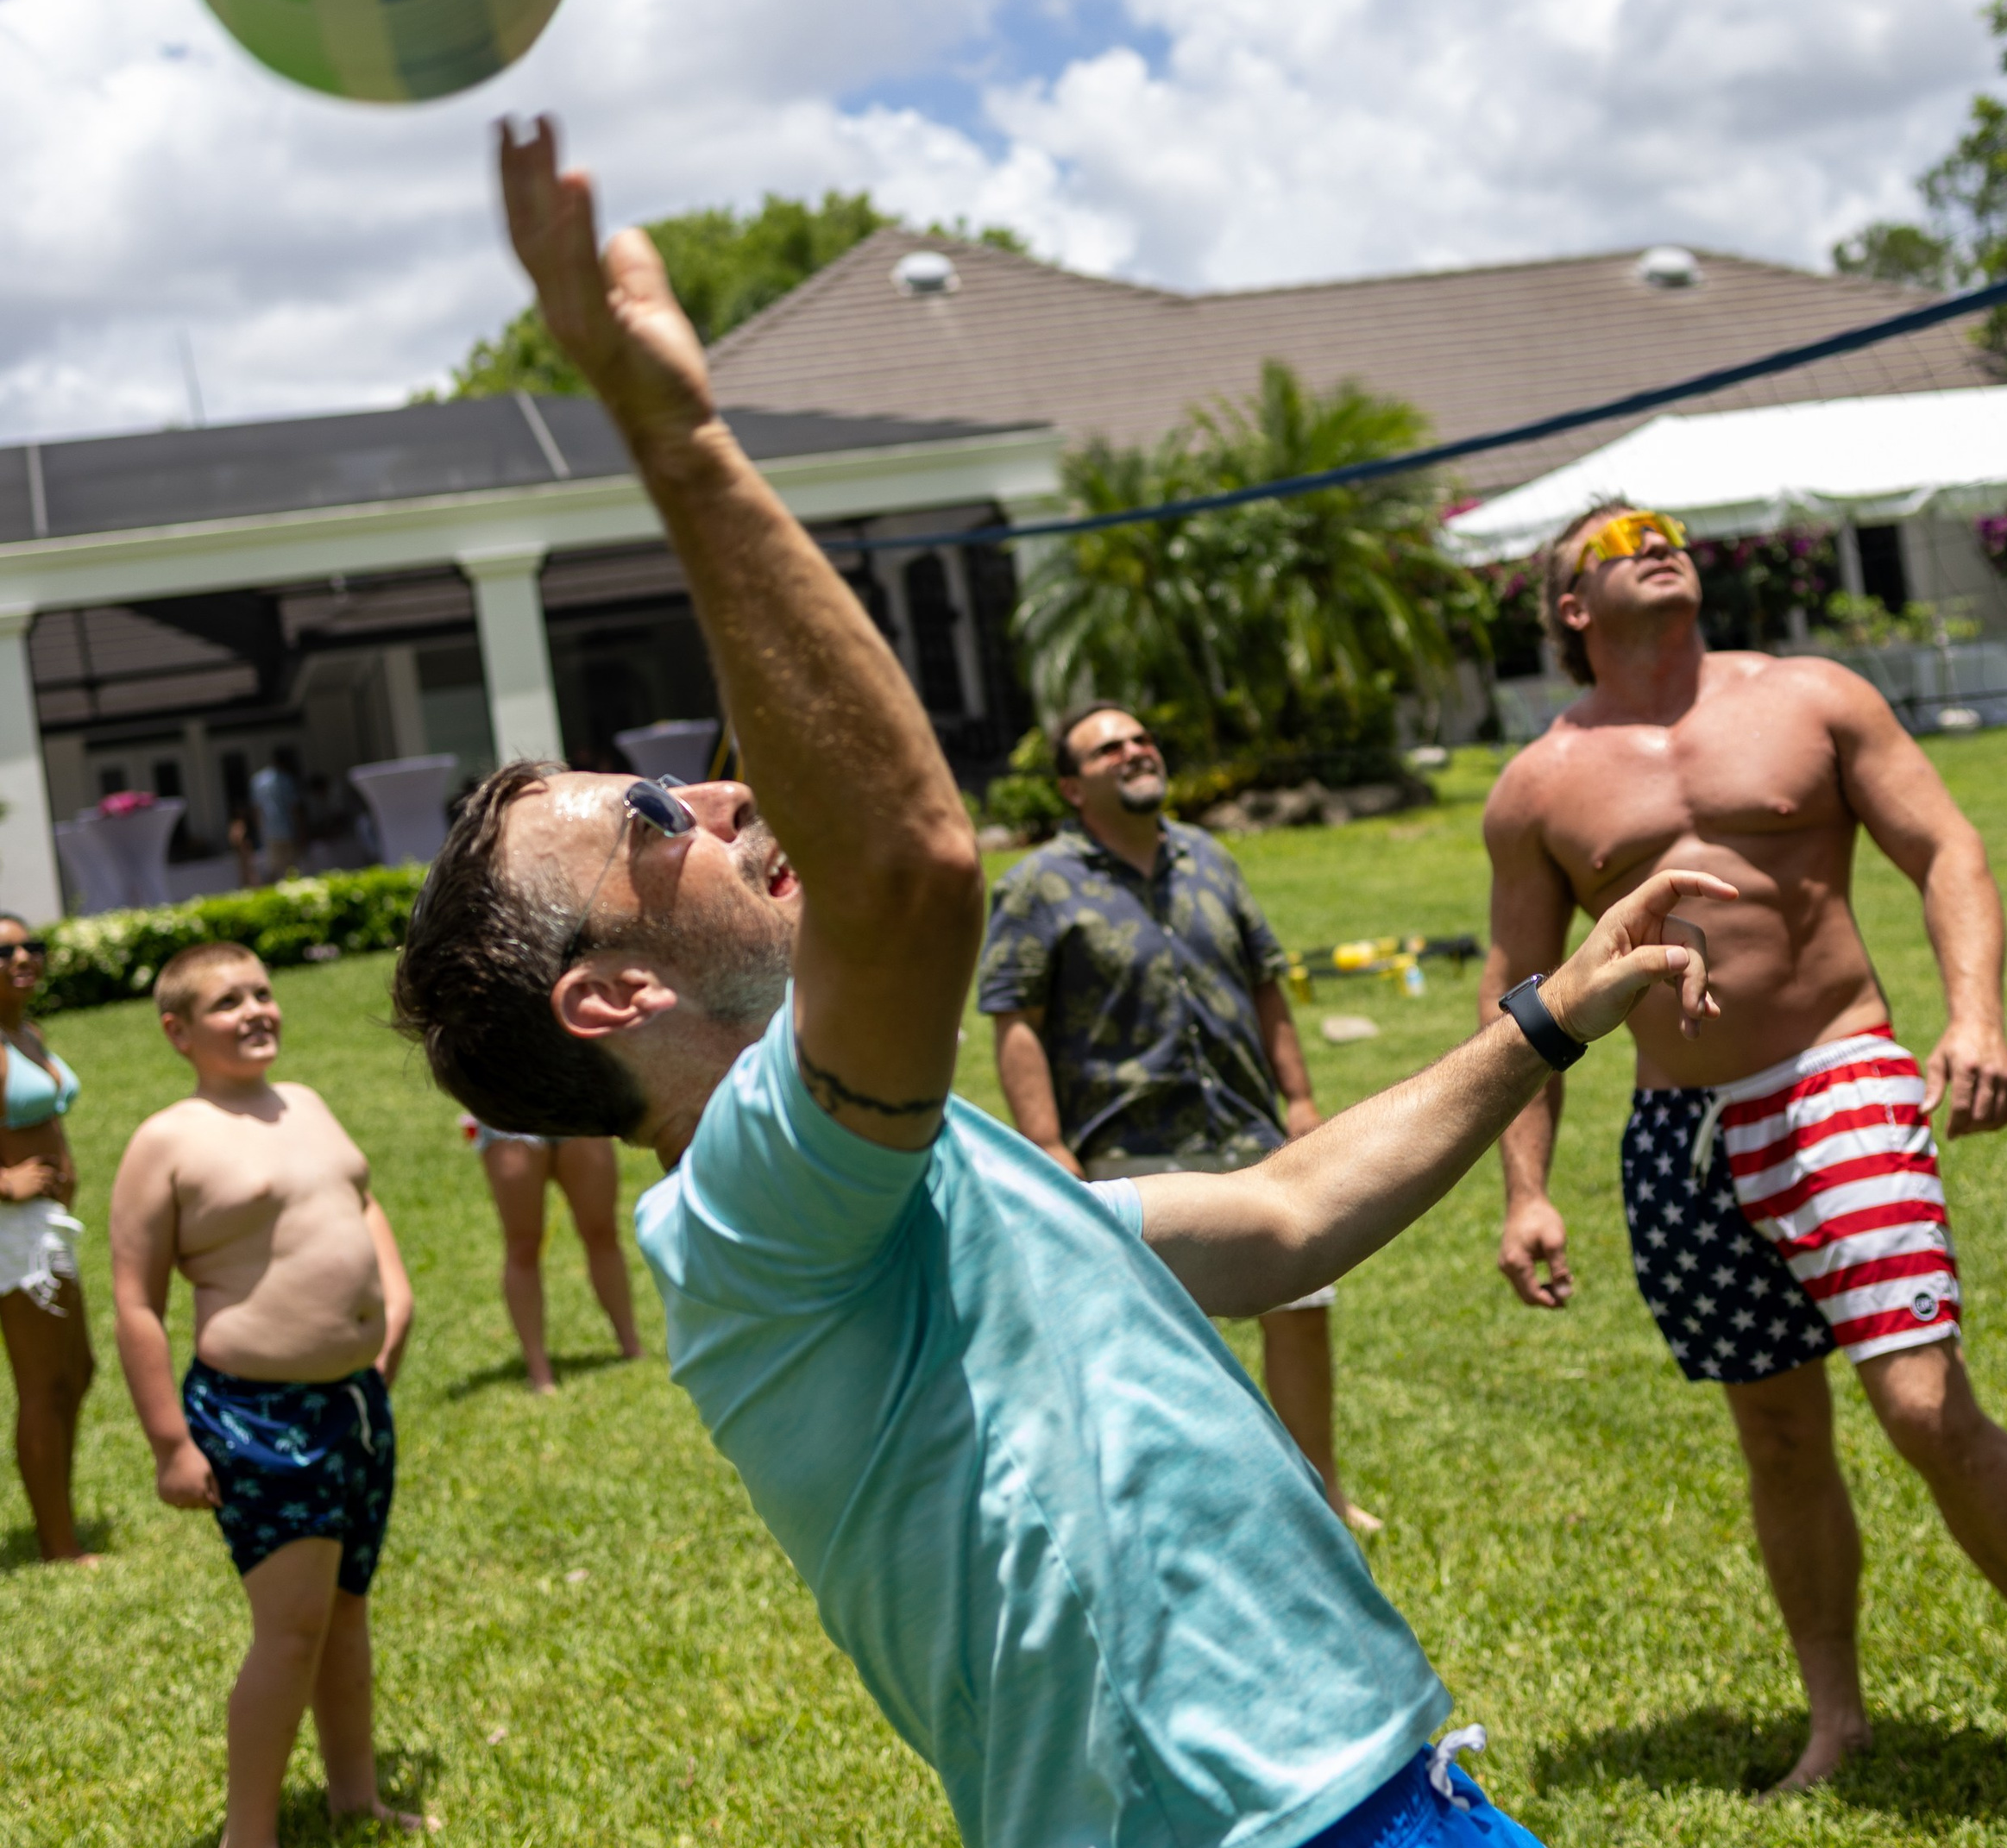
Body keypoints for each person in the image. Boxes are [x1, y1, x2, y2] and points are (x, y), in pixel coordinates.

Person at [389, 116, 1740, 1848]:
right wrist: (676, 434)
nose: (716, 800)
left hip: (1366, 1784)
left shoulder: (909, 1188)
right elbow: (909, 867)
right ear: (608, 1000)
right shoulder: (748, 1212)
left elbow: (1282, 1219)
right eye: (654, 816)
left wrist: (1552, 1010)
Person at [1481, 500, 2007, 1832]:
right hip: (1678, 1131)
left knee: (1923, 1407)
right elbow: (1523, 996)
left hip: (1836, 1078)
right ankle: (1837, 1715)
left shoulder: (1809, 697)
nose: (1660, 543)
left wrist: (1975, 1015)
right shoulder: (1539, 786)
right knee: (1775, 1433)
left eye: (1669, 528)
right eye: (1623, 538)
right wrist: (1525, 1189)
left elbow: (1946, 847)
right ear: (1570, 608)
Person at [981, 701, 1380, 1530]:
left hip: (1245, 1129)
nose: (1135, 752)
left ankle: (1322, 1497)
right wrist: (1046, 1142)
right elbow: (1015, 1017)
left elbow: (1266, 983)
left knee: (1302, 1307)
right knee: (1141, 1346)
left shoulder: (1210, 859)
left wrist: (1301, 1099)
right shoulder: (1037, 884)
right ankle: (1156, 1519)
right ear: (1072, 787)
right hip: (1127, 1144)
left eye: (1142, 740)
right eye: (1109, 749)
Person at [110, 943, 422, 1847]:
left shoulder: (307, 1105)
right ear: (178, 1032)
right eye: (226, 1003)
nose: (254, 1011)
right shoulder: (169, 1140)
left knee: (345, 1610)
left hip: (354, 1404)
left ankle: (355, 1797)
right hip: (259, 1417)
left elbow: (358, 1200)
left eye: (261, 992)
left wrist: (395, 1297)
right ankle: (248, 1836)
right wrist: (170, 1443)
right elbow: (135, 1301)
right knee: (291, 1629)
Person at [0, 917, 97, 1562]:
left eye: (30, 946)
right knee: (44, 1382)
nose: (22, 958)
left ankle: (58, 1521)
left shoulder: (26, 1033)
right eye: (3, 951)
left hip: (46, 1226)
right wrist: (5, 1182)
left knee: (76, 1370)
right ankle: (58, 1545)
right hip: (13, 1232)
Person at [467, 1118, 642, 1392]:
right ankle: (539, 1372)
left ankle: (632, 1348)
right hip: (510, 1116)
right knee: (523, 1245)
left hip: (577, 1108)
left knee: (602, 1232)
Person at [249, 759, 300, 881]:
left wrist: (260, 832)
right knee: (291, 868)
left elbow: (256, 810)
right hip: (287, 829)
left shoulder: (257, 780)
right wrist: (300, 828)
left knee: (274, 869)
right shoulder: (285, 779)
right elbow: (294, 807)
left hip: (269, 832)